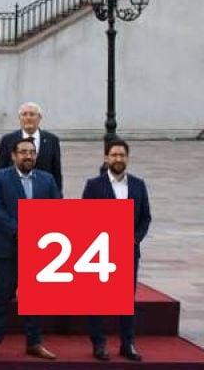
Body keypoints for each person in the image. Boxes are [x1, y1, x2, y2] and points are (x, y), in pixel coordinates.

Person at [0, 137, 61, 360]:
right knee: (1, 296)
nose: (28, 156)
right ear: (14, 155)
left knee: (35, 299)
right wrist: (19, 231)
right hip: (7, 248)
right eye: (23, 152)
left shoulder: (47, 179)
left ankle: (34, 342)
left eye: (31, 152)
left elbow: (56, 207)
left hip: (39, 249)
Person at [83, 139, 151, 362]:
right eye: (114, 155)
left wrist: (136, 239)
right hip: (101, 251)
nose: (118, 159)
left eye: (122, 155)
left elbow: (145, 217)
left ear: (128, 158)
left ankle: (127, 344)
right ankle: (99, 344)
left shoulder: (139, 185)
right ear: (106, 158)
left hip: (129, 251)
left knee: (126, 301)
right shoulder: (94, 185)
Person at [0, 101, 63, 192]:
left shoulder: (52, 140)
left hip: (43, 196)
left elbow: (56, 172)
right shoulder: (8, 140)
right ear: (19, 118)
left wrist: (58, 197)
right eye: (24, 114)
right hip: (15, 195)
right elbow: (1, 171)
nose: (28, 118)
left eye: (32, 114)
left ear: (39, 118)